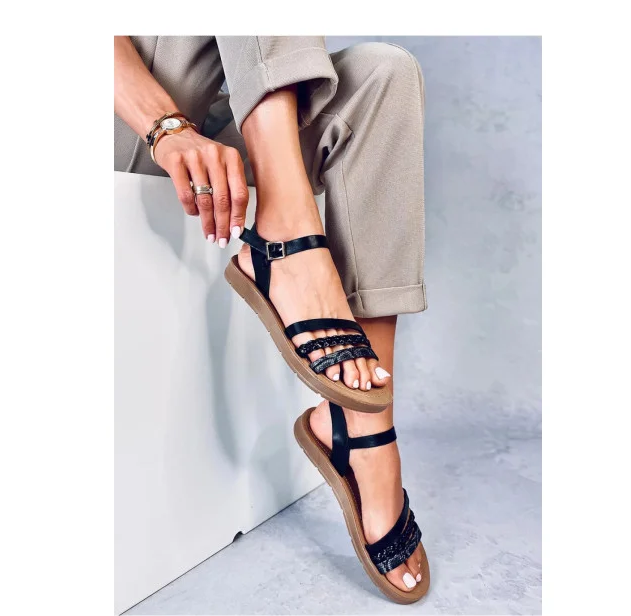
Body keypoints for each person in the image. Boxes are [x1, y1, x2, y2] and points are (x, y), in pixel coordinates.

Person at [114, 36, 429, 601]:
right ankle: (288, 240)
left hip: (207, 112)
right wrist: (167, 126)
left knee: (386, 75)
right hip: (120, 109)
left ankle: (364, 429)